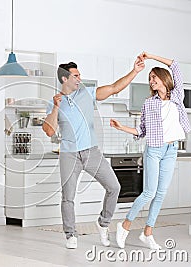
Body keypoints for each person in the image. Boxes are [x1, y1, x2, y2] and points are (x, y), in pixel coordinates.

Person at [42, 57, 144, 249]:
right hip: (69, 155)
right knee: (68, 197)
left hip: (92, 153)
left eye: (79, 75)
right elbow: (49, 131)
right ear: (65, 78)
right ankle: (70, 234)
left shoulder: (87, 94)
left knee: (114, 187)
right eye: (76, 75)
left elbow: (114, 87)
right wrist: (56, 107)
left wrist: (135, 72)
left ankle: (103, 223)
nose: (80, 78)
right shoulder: (53, 102)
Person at [110, 52, 191, 250]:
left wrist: (151, 56)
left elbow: (176, 64)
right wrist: (121, 127)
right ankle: (125, 225)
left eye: (154, 77)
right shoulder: (149, 103)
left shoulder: (177, 96)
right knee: (149, 192)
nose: (151, 80)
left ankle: (148, 233)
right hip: (154, 149)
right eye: (150, 78)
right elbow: (141, 130)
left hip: (171, 149)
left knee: (161, 194)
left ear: (164, 79)